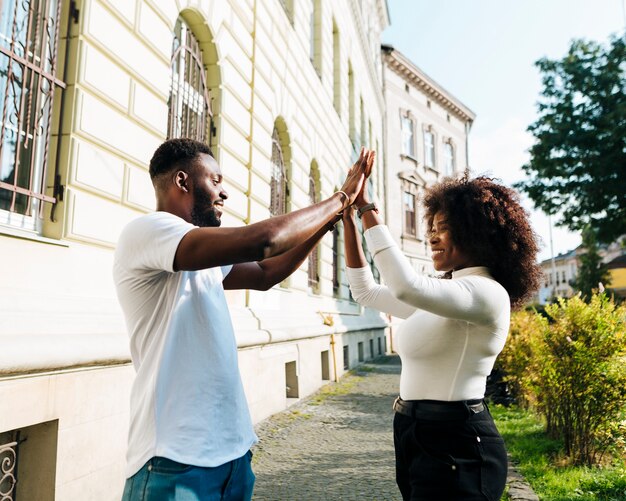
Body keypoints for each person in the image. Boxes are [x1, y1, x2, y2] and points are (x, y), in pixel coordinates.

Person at [113, 137, 375, 501]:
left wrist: (329, 219)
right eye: (215, 181)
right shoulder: (149, 231)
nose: (224, 193)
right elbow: (264, 242)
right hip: (174, 459)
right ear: (182, 182)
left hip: (233, 455)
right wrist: (340, 198)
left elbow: (266, 272)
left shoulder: (198, 249)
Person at [342, 175, 541, 501]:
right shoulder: (449, 295)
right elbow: (366, 292)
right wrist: (349, 222)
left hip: (456, 443)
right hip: (413, 432)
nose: (433, 237)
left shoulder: (486, 293)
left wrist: (366, 207)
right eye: (431, 228)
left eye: (444, 227)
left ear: (478, 232)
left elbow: (406, 286)